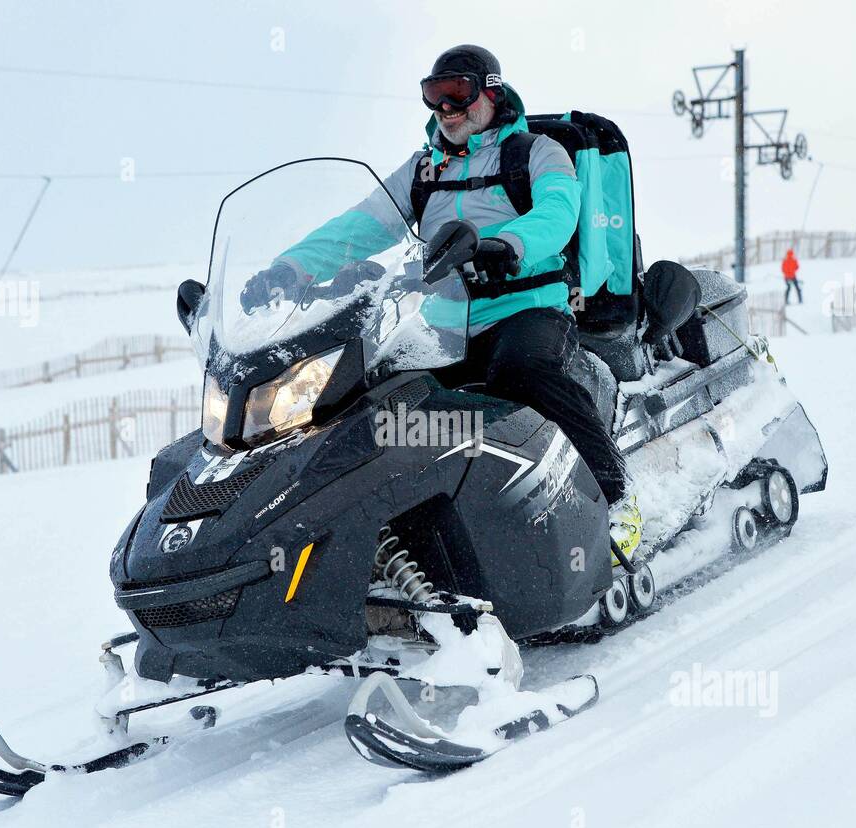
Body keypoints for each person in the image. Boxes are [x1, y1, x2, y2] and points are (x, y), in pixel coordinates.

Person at [240, 45, 642, 562]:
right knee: (377, 406)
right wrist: (289, 269)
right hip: (441, 322)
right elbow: (357, 228)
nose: (446, 108)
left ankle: (617, 495)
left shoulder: (537, 152)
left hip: (526, 309)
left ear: (490, 92)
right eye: (434, 95)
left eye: (458, 92)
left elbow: (558, 214)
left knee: (521, 373)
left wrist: (505, 244)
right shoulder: (422, 171)